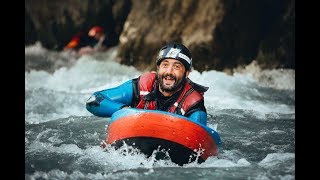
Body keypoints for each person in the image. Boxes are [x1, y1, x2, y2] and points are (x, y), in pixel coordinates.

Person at [86, 42, 209, 125]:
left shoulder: (194, 104)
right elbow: (93, 101)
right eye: (165, 65)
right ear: (158, 68)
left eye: (177, 67)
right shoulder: (142, 86)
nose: (169, 72)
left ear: (186, 73)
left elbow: (200, 141)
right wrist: (124, 110)